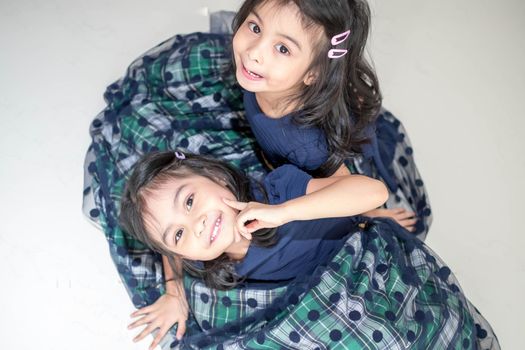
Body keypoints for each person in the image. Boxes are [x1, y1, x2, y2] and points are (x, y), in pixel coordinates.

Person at [119, 151, 498, 349]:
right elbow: (167, 247)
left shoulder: (279, 189)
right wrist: (174, 292)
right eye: (180, 234)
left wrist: (284, 212)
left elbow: (374, 189)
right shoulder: (207, 257)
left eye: (190, 202)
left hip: (356, 261)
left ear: (218, 177)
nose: (197, 224)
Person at [232, 0, 421, 232]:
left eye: (283, 48)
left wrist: (369, 213)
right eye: (255, 27)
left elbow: (356, 187)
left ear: (313, 74)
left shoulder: (308, 145)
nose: (253, 53)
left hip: (337, 163)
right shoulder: (259, 72)